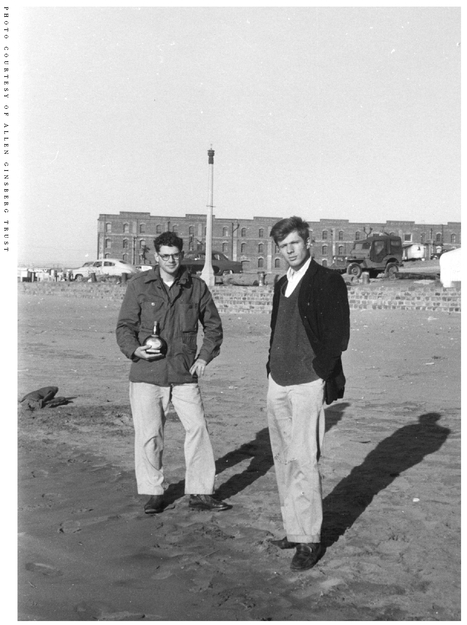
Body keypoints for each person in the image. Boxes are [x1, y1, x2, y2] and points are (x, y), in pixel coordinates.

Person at [116, 231, 230, 514]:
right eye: (164, 256)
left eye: (175, 255)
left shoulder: (196, 287)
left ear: (182, 255)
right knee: (149, 435)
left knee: (198, 429)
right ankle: (154, 492)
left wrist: (204, 358)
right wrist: (135, 350)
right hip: (147, 374)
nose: (170, 260)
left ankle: (201, 491)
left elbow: (213, 328)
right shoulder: (140, 285)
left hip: (183, 373)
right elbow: (124, 328)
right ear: (157, 256)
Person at [266, 216, 350, 571]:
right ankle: (294, 529)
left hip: (306, 383)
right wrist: (271, 369)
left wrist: (320, 372)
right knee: (284, 459)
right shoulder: (281, 282)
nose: (290, 251)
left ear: (307, 243)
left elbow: (338, 335)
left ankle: (309, 540)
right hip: (277, 382)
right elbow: (277, 329)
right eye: (284, 246)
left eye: (295, 244)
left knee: (304, 459)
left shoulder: (328, 281)